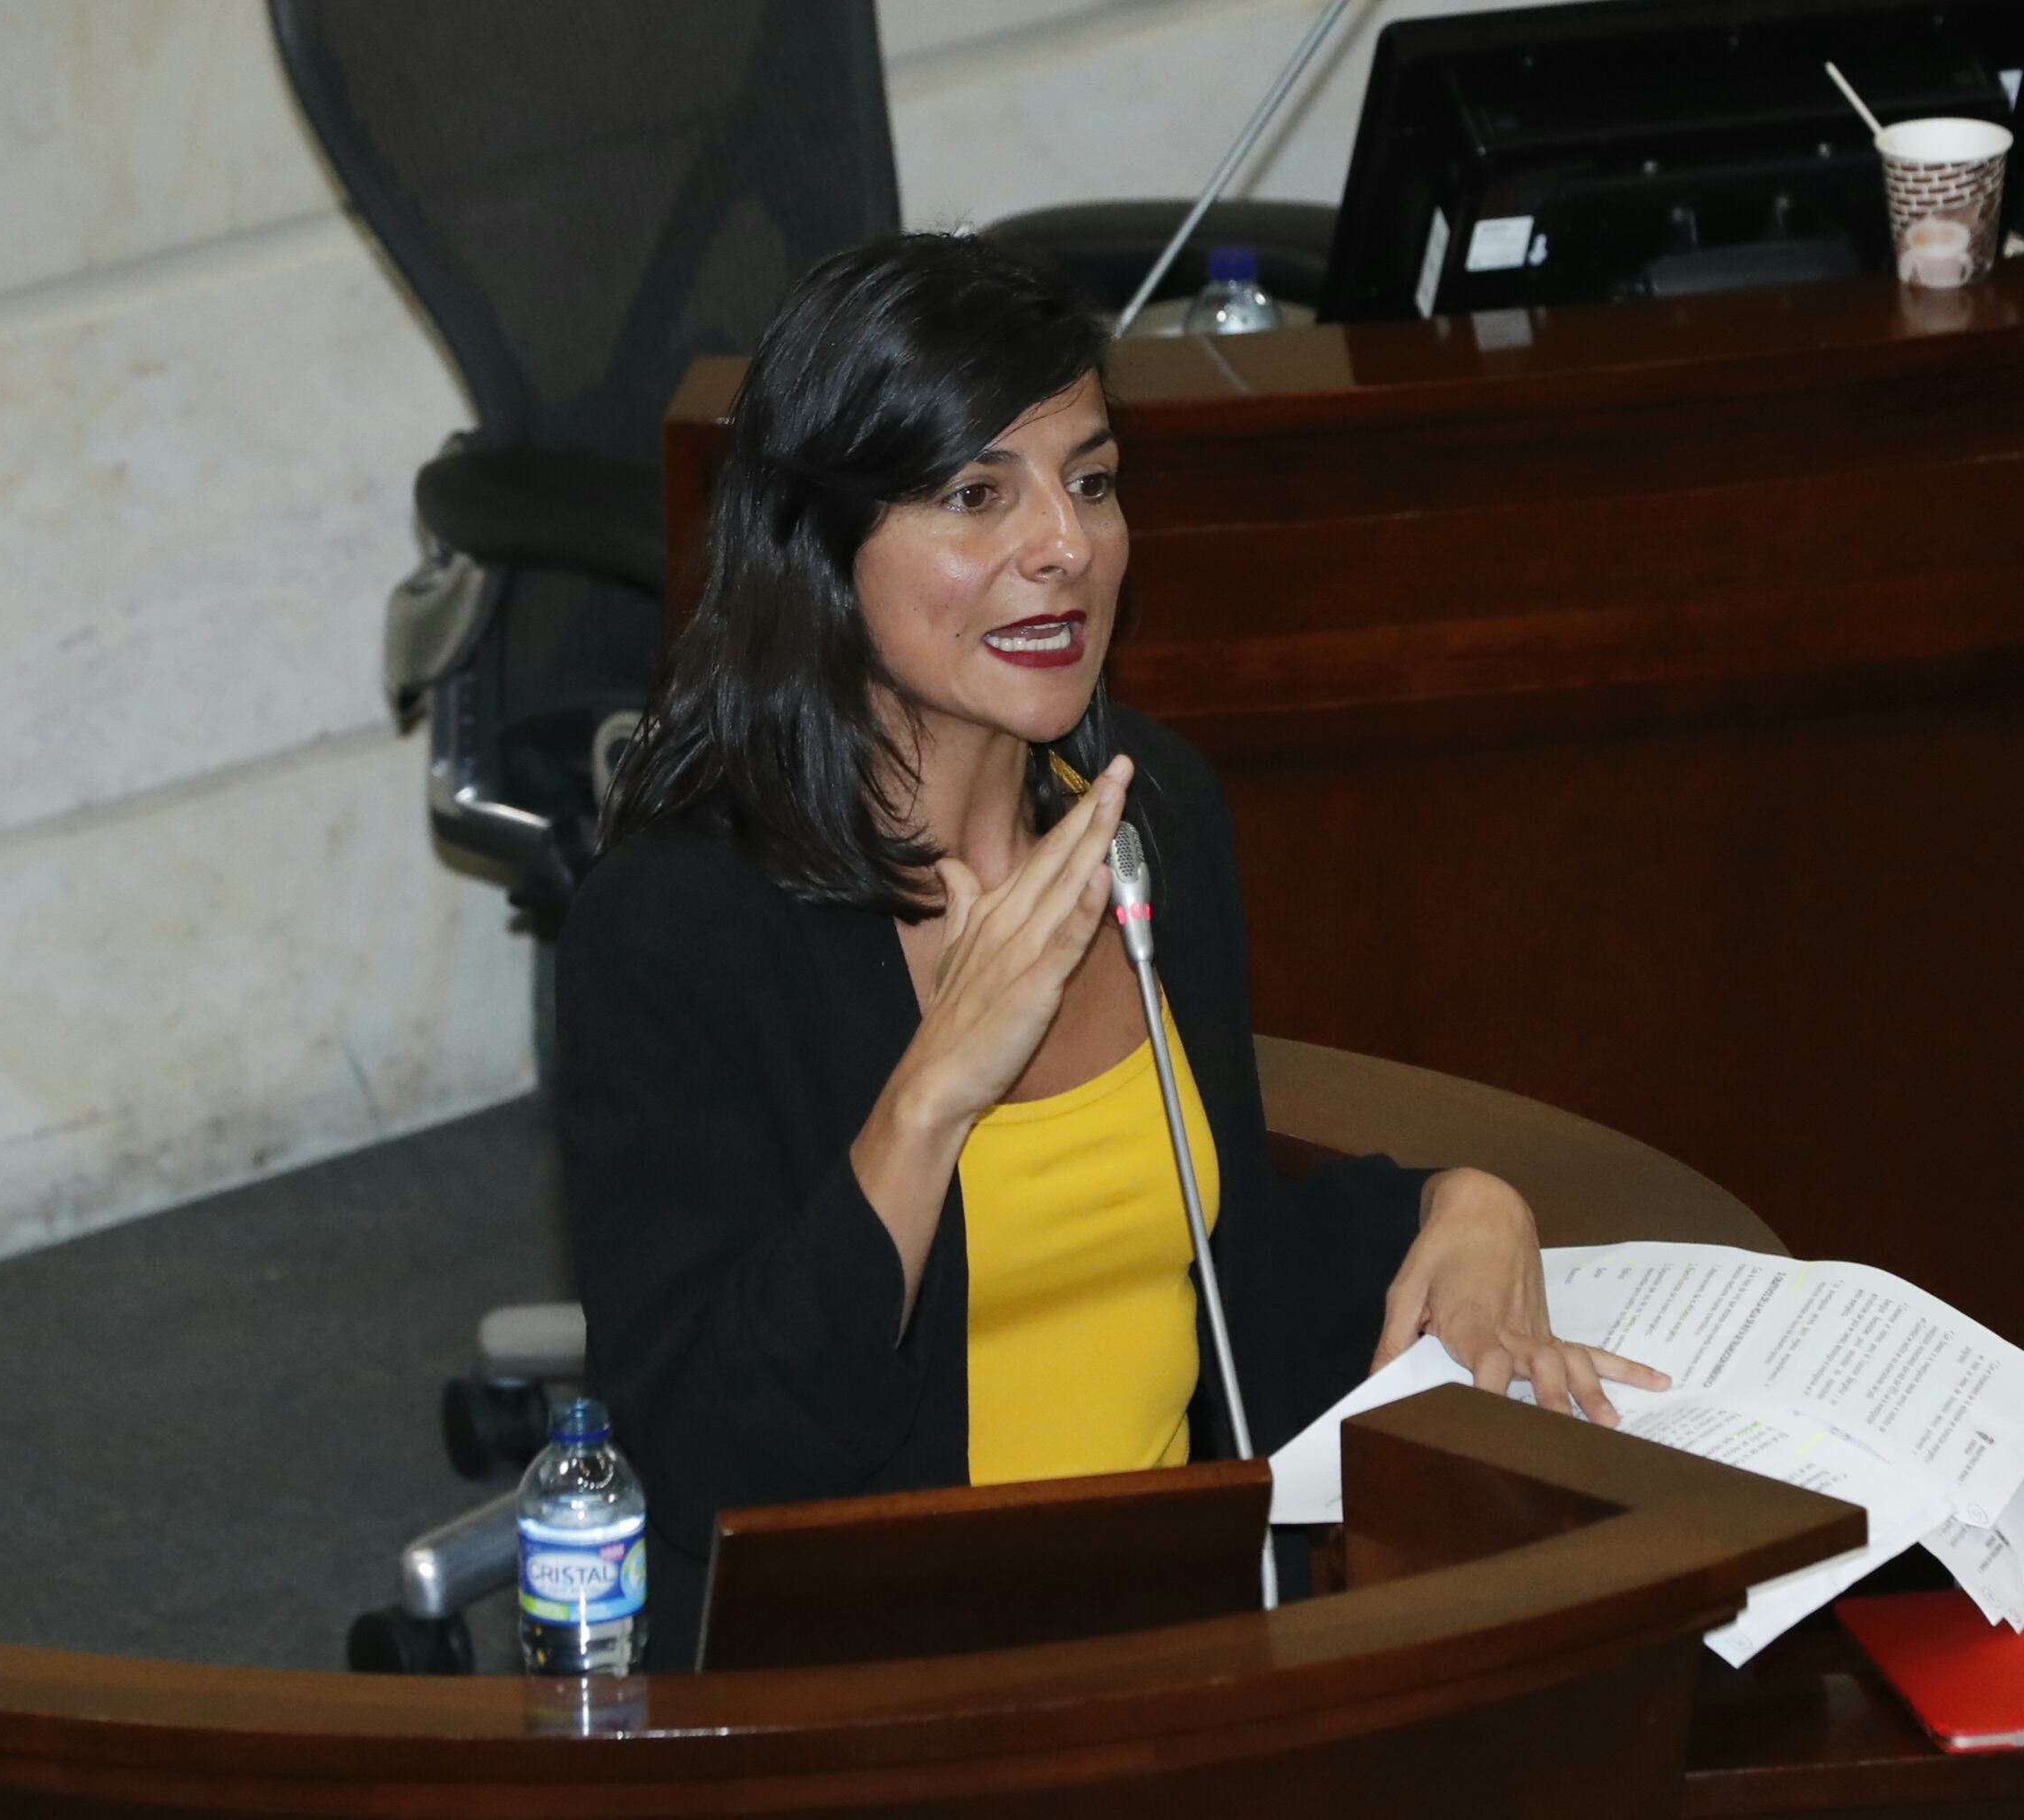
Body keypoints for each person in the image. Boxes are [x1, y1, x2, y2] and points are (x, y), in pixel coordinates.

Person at [556, 232, 1666, 1670]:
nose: (1065, 548)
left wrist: (1463, 1202)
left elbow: (1210, 1287)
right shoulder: (677, 928)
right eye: (975, 494)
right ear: (820, 548)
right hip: (880, 1707)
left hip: (1177, 1664)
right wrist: (933, 1093)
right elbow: (719, 1463)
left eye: (1089, 481)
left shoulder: (1148, 818)